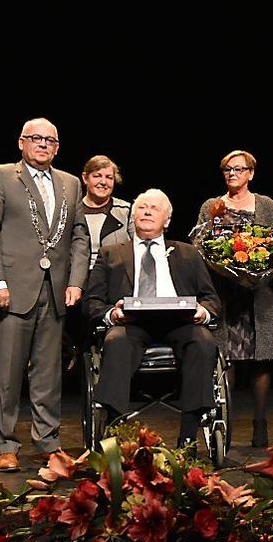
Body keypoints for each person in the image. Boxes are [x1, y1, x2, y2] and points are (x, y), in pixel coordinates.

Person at [0, 118, 89, 472]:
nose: (43, 144)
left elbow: (80, 235)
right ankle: (5, 444)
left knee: (48, 372)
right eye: (36, 138)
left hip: (54, 290)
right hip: (12, 288)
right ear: (22, 142)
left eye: (50, 140)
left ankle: (47, 442)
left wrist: (76, 281)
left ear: (57, 147)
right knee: (8, 371)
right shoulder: (1, 175)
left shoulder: (69, 183)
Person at [84, 189, 221, 447]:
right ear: (133, 216)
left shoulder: (188, 253)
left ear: (167, 221)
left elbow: (211, 299)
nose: (147, 211)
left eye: (154, 208)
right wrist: (112, 314)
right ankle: (117, 434)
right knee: (116, 341)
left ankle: (189, 436)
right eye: (142, 207)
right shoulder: (110, 253)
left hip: (180, 324)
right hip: (131, 324)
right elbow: (92, 303)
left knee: (203, 342)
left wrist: (202, 312)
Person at [193, 150, 273, 447]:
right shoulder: (212, 206)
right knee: (226, 360)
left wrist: (264, 264)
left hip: (258, 292)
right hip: (225, 293)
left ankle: (260, 422)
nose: (232, 173)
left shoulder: (265, 205)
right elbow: (198, 243)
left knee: (261, 359)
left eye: (238, 169)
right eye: (227, 169)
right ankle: (225, 424)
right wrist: (220, 263)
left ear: (251, 173)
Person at [81, 155, 132, 268]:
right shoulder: (73, 210)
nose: (103, 182)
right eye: (97, 176)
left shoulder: (126, 211)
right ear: (85, 178)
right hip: (81, 280)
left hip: (116, 278)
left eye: (109, 177)